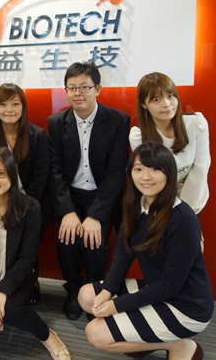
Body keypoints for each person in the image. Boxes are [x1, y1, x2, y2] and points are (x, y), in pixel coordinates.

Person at [79, 143, 213, 360]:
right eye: (139, 169)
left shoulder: (183, 219)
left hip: (186, 306)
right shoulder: (136, 204)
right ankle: (145, 338)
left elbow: (171, 284)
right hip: (157, 288)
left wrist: (116, 305)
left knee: (96, 333)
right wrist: (107, 290)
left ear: (169, 174)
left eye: (155, 169)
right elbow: (124, 252)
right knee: (87, 296)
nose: (146, 177)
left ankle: (179, 346)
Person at [0, 147, 71, 360]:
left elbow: (27, 257)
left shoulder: (30, 208)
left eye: (0, 173)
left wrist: (2, 292)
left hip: (16, 276)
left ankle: (47, 335)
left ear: (11, 175)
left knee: (11, 310)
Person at [47, 61, 130, 320]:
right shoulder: (56, 122)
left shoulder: (117, 121)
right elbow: (55, 171)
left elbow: (116, 172)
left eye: (84, 87)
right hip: (69, 195)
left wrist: (95, 215)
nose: (78, 93)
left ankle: (94, 290)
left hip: (101, 196)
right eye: (72, 88)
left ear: (98, 89)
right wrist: (67, 211)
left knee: (95, 244)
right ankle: (73, 289)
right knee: (67, 241)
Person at [0, 83, 50, 303]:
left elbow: (41, 176)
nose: (9, 109)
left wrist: (25, 206)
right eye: (3, 104)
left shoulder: (37, 135)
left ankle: (31, 282)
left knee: (27, 247)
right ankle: (0, 283)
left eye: (15, 104)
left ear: (23, 107)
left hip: (31, 202)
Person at [129, 72, 210, 251]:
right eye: (156, 100)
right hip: (158, 210)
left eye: (170, 96)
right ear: (144, 104)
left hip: (191, 205)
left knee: (191, 253)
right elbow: (149, 182)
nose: (166, 104)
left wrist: (187, 218)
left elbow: (200, 169)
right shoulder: (139, 135)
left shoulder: (196, 124)